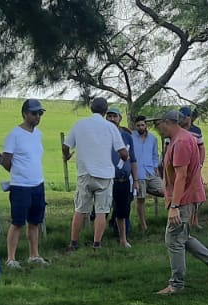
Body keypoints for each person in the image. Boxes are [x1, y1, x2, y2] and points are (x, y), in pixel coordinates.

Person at [156, 114, 208, 294]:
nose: (157, 129)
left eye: (158, 125)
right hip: (186, 196)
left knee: (173, 239)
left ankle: (176, 285)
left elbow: (181, 176)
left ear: (168, 122)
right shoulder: (180, 139)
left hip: (184, 198)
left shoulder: (181, 142)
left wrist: (174, 206)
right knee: (182, 237)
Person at [62, 99, 126, 251]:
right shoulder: (110, 127)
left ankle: (74, 242)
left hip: (85, 173)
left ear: (91, 108)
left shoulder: (79, 124)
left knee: (80, 209)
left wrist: (67, 155)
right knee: (101, 211)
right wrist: (125, 158)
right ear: (105, 111)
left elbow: (66, 145)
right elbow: (122, 152)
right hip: (105, 175)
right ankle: (97, 243)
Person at [0, 99, 47, 267]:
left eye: (40, 113)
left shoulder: (38, 134)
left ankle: (34, 255)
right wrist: (18, 173)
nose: (37, 117)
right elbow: (6, 160)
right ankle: (11, 258)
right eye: (34, 113)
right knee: (17, 222)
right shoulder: (14, 135)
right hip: (20, 186)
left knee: (35, 222)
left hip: (38, 183)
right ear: (25, 113)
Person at [106, 107, 138, 248]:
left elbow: (133, 160)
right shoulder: (102, 136)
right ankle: (97, 240)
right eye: (109, 116)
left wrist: (135, 180)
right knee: (102, 210)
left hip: (123, 179)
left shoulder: (127, 137)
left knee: (122, 211)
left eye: (115, 116)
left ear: (120, 118)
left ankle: (123, 240)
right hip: (107, 179)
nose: (112, 119)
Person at [132, 115, 163, 231]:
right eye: (138, 125)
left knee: (164, 191)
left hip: (150, 171)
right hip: (138, 173)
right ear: (135, 126)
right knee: (141, 199)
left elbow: (155, 155)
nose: (141, 127)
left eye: (142, 125)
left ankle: (148, 189)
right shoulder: (131, 137)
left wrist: (155, 167)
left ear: (146, 125)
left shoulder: (153, 139)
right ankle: (143, 225)